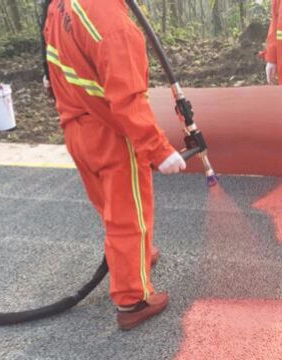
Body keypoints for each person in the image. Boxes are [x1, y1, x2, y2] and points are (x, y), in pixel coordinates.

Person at [42, 0, 186, 330]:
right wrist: (159, 150)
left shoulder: (64, 5)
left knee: (110, 208)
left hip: (77, 127)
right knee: (128, 216)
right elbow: (127, 98)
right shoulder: (114, 25)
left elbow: (52, 60)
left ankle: (138, 257)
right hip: (112, 136)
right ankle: (132, 300)